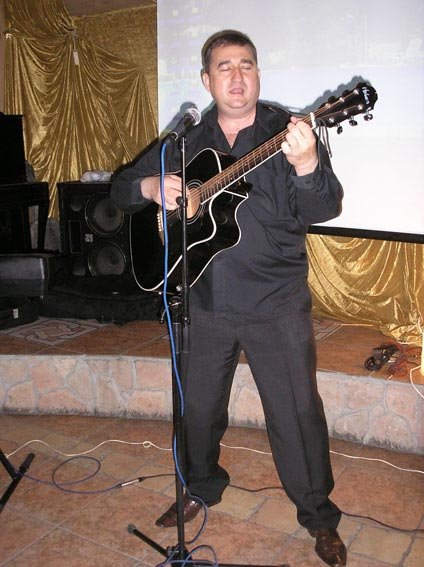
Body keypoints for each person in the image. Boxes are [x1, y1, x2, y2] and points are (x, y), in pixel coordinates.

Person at [110, 30, 346, 567]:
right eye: (224, 67)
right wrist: (151, 188)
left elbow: (326, 207)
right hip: (204, 301)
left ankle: (318, 515)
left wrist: (308, 164)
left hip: (276, 302)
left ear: (258, 74)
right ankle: (199, 487)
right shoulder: (184, 142)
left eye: (246, 65)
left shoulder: (290, 132)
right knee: (198, 410)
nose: (237, 77)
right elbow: (121, 189)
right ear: (206, 79)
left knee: (296, 415)